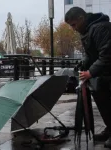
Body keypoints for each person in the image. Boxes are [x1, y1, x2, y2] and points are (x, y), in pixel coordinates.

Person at [65, 7, 111, 148]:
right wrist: (83, 63)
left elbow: (107, 54)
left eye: (74, 24)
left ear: (81, 18)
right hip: (102, 75)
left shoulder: (101, 28)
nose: (73, 29)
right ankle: (110, 128)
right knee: (104, 104)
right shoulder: (87, 30)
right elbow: (91, 54)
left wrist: (90, 72)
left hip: (107, 73)